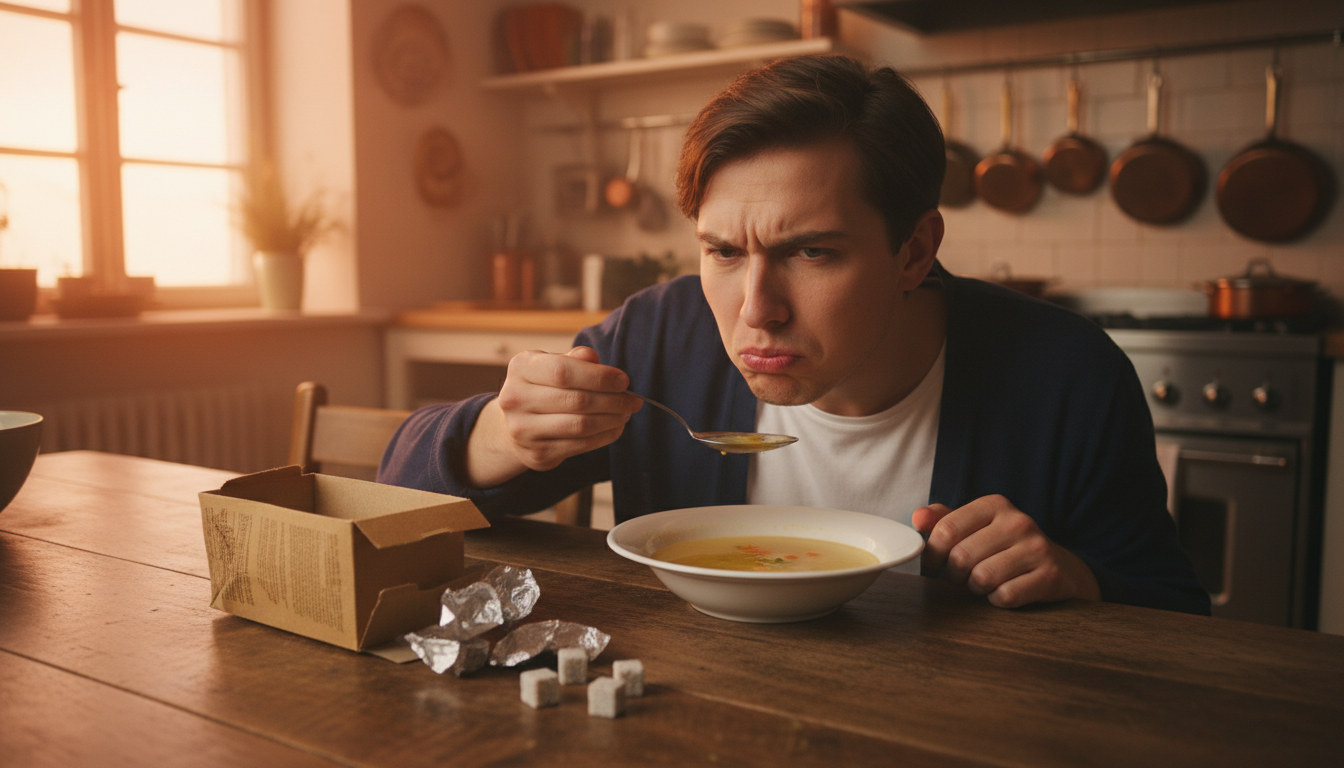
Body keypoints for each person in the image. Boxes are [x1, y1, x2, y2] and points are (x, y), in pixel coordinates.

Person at [380, 54, 1210, 616]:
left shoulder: (1066, 375)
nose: (756, 310)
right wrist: (500, 434)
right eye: (723, 252)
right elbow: (396, 488)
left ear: (915, 249)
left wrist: (1078, 578)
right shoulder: (659, 336)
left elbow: (1172, 611)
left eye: (811, 252)